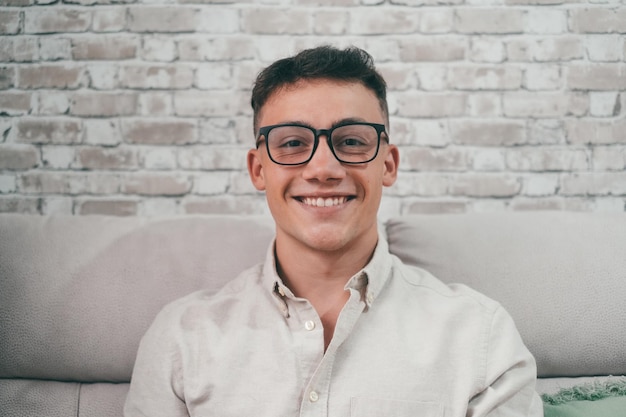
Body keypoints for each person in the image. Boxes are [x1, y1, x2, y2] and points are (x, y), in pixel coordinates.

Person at [124, 45, 543, 416]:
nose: (323, 169)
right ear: (258, 170)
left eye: (352, 141)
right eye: (291, 143)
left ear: (388, 164)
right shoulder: (182, 336)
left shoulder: (479, 335)